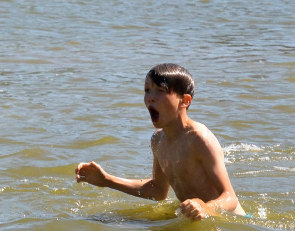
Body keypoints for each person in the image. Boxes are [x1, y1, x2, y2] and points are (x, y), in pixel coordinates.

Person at [75, 63, 247, 220]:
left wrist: (205, 207)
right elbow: (158, 191)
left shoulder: (199, 139)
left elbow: (230, 197)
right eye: (147, 90)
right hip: (192, 217)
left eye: (160, 91)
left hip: (230, 222)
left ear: (185, 101)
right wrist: (107, 180)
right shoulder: (158, 140)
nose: (150, 97)